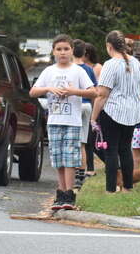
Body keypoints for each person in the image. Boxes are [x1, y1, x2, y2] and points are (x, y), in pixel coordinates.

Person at [30, 34, 96, 210]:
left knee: (70, 159)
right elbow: (33, 92)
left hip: (72, 121)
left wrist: (73, 91)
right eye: (59, 49)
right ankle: (60, 193)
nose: (63, 53)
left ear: (72, 50)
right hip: (54, 120)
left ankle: (69, 194)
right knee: (58, 159)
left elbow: (94, 92)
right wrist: (48, 88)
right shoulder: (49, 71)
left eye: (66, 49)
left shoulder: (78, 71)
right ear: (53, 52)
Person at [90, 31, 140, 194]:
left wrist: (94, 117)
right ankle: (128, 187)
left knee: (111, 151)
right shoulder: (136, 63)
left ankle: (111, 188)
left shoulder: (110, 64)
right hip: (133, 111)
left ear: (109, 46)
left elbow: (102, 94)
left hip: (113, 110)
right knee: (125, 149)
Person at [72, 38, 97, 187]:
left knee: (71, 141)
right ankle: (81, 175)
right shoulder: (88, 69)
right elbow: (94, 91)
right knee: (82, 142)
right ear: (84, 52)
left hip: (74, 104)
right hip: (87, 105)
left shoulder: (69, 68)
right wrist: (95, 113)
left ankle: (72, 172)